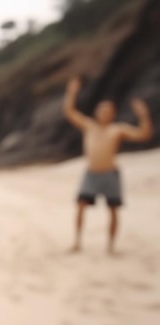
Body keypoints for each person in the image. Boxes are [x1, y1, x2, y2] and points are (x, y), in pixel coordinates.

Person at [63, 76, 153, 254]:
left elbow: (143, 134)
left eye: (109, 110)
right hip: (91, 173)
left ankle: (111, 246)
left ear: (113, 114)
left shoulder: (117, 130)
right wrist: (71, 93)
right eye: (102, 109)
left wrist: (144, 116)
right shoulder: (89, 126)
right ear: (96, 112)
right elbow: (69, 112)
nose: (105, 112)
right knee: (81, 205)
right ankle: (77, 242)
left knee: (113, 210)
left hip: (110, 174)